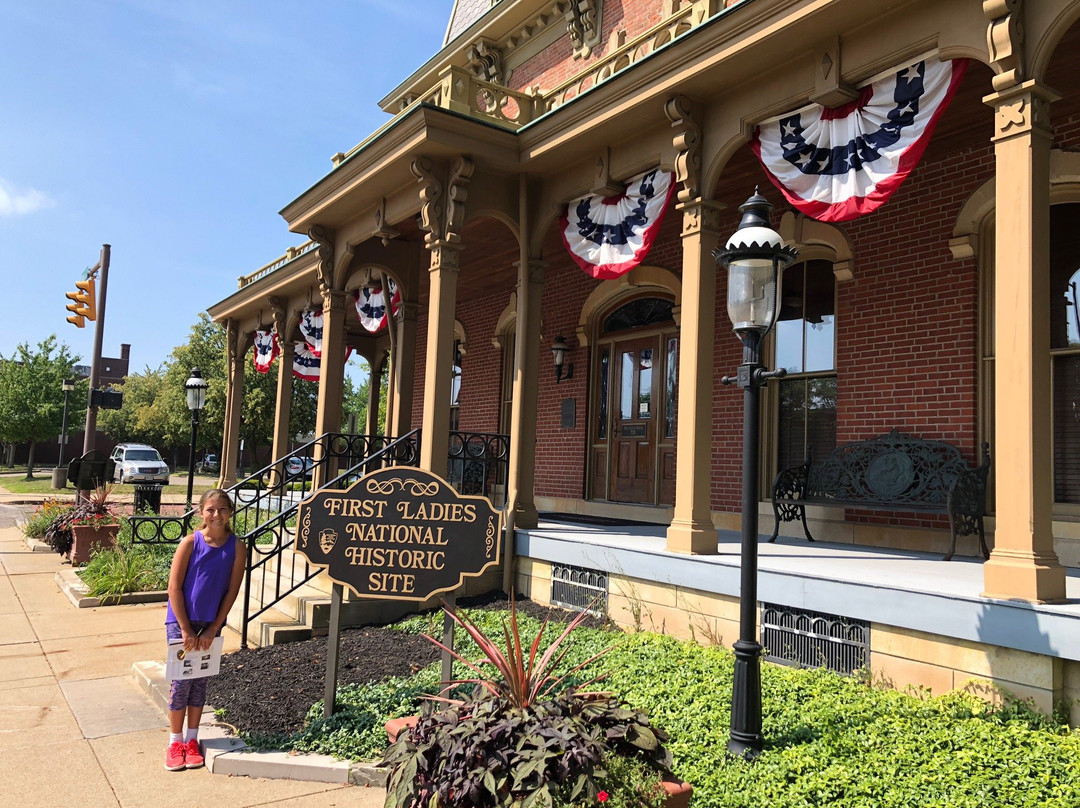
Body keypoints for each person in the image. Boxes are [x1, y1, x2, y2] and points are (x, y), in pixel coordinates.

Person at [163, 488, 246, 771]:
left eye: (222, 509)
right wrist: (185, 628)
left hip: (211, 624)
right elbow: (173, 587)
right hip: (181, 622)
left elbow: (232, 591)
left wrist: (214, 627)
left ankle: (192, 740)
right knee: (181, 681)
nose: (216, 515)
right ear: (201, 512)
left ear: (230, 512)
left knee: (200, 681)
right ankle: (175, 742)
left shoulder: (236, 547)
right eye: (210, 509)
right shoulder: (190, 542)